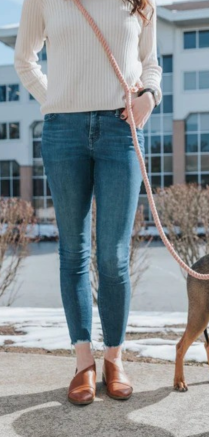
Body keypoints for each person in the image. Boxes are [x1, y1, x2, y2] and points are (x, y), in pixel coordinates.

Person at [15, 0, 162, 403]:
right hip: (63, 132)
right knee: (72, 252)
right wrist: (55, 100)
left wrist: (149, 95)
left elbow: (151, 62)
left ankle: (114, 357)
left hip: (121, 130)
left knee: (113, 255)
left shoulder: (141, 1)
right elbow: (24, 59)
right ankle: (83, 361)